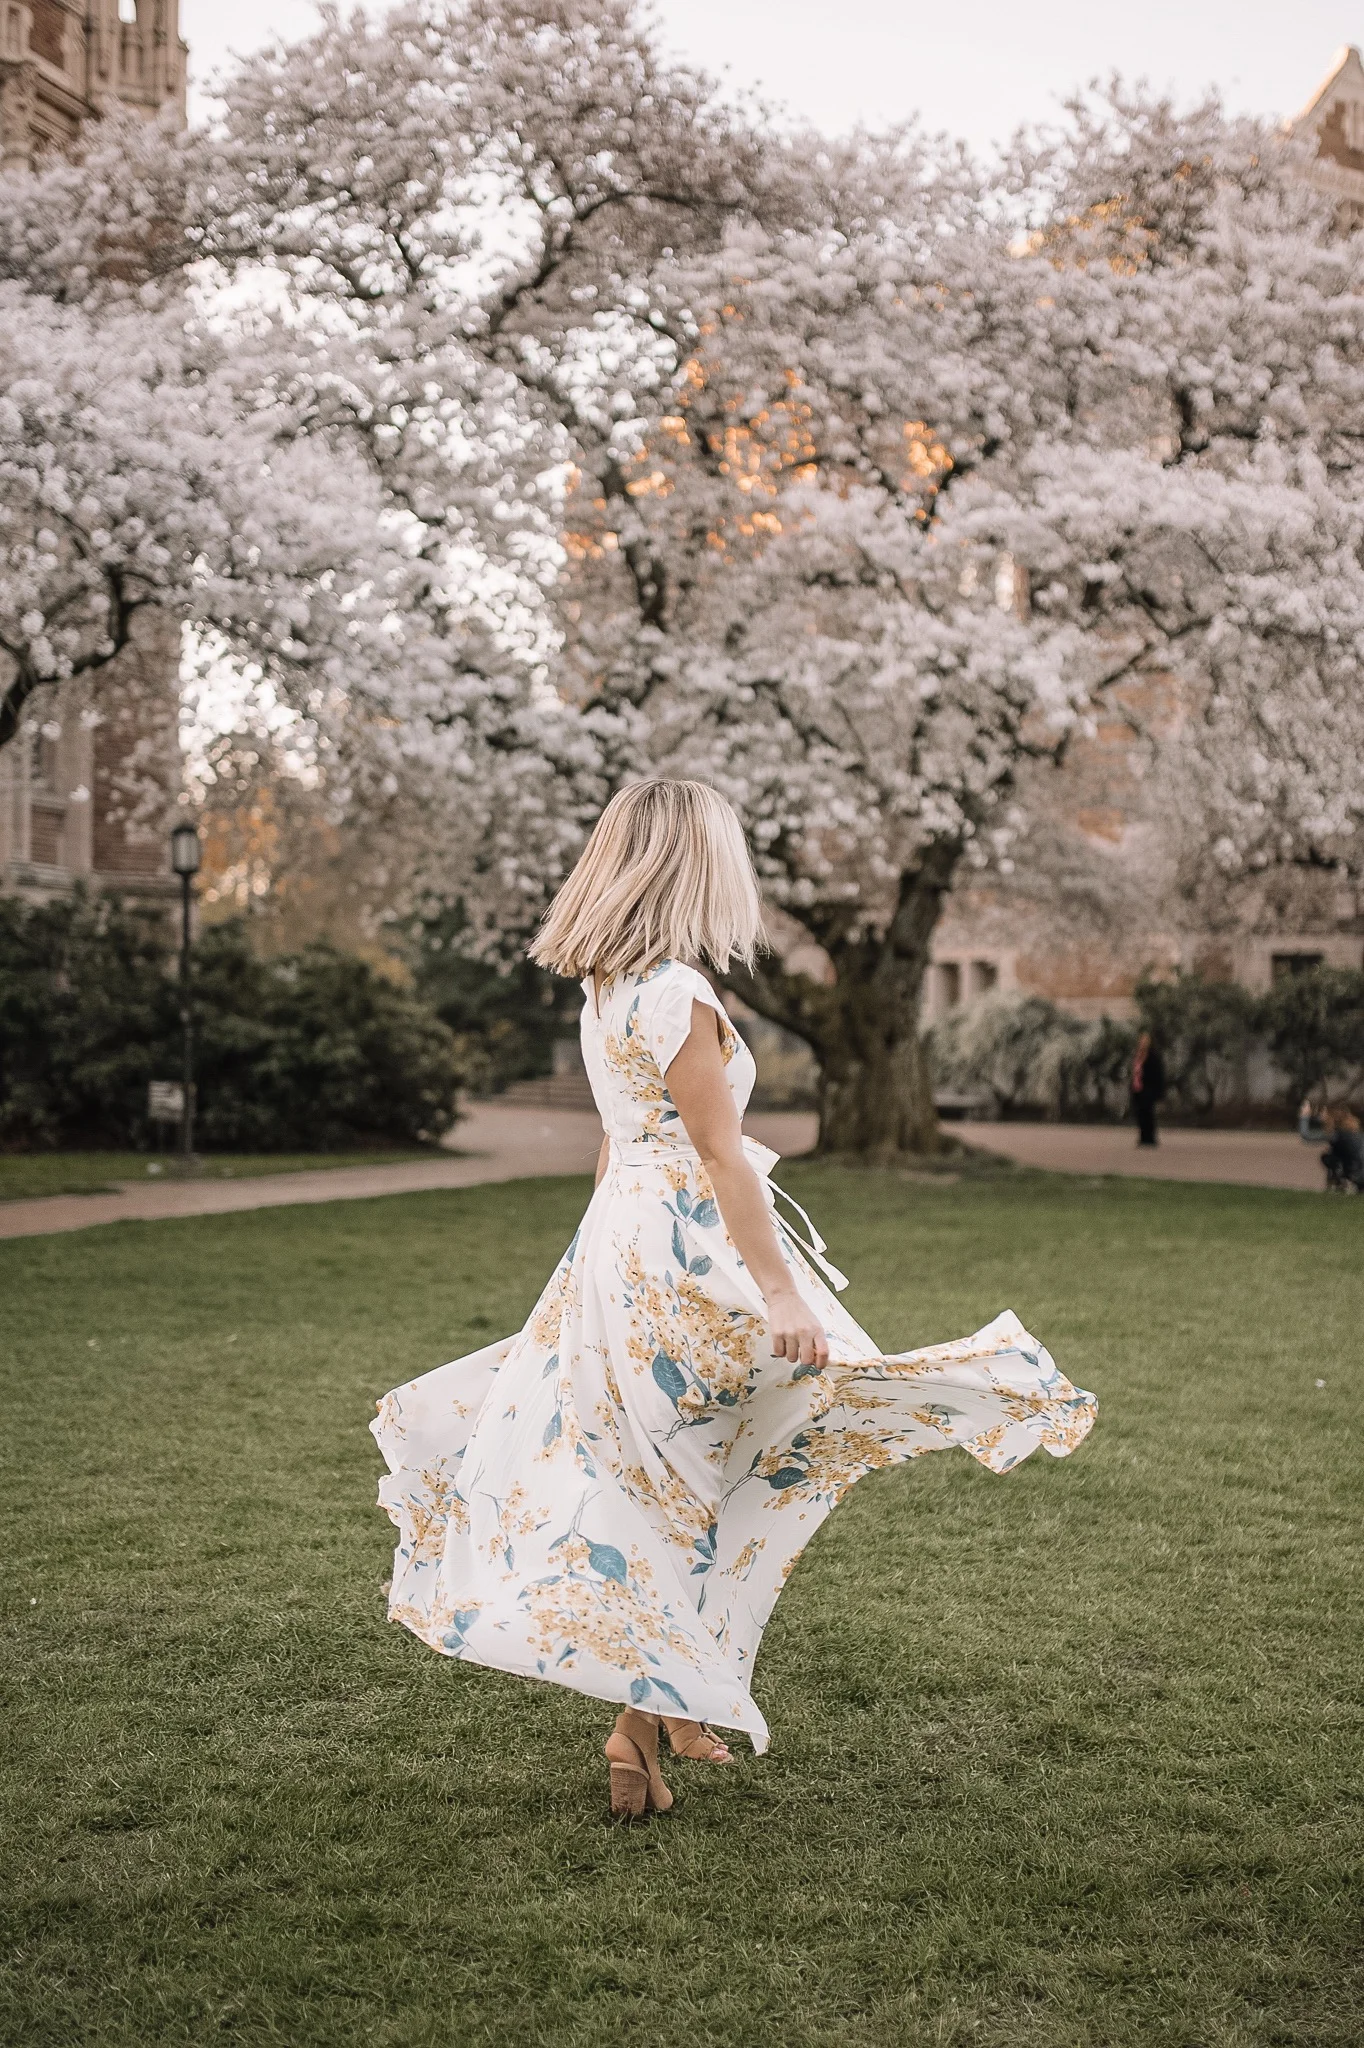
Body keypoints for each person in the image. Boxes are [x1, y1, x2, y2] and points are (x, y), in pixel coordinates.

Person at [371, 780, 1096, 1821]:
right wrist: (777, 1289)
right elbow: (717, 1154)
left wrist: (590, 1265)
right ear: (693, 867)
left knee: (664, 1472)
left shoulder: (604, 986)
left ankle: (674, 1706)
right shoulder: (676, 992)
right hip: (685, 1248)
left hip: (621, 1243)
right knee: (730, 1464)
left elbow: (614, 1140)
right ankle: (637, 1720)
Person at [1299, 1098, 1364, 1191]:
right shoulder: (1356, 1133)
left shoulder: (1336, 1135)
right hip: (1360, 1172)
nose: (1322, 1115)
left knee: (1327, 1156)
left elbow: (1306, 1136)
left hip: (1356, 1175)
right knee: (1336, 1153)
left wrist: (1304, 1116)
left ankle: (1340, 1182)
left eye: (1324, 1112)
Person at [1130, 1030, 1166, 1148]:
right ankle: (1143, 1137)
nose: (1143, 1043)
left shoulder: (1153, 1057)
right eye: (1142, 1041)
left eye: (1145, 1041)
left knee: (1148, 1114)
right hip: (1137, 1089)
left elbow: (1158, 1075)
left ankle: (1150, 1138)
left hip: (1149, 1089)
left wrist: (1158, 1092)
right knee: (1140, 1114)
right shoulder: (1138, 1056)